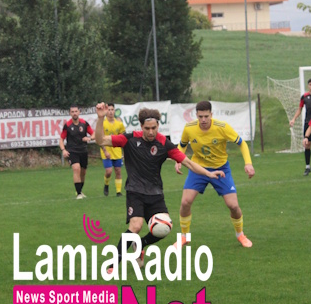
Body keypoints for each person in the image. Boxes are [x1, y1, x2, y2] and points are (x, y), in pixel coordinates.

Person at [94, 102, 225, 269]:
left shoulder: (164, 143)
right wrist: (100, 118)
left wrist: (209, 174)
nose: (151, 132)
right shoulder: (129, 139)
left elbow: (189, 163)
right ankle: (113, 264)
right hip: (135, 191)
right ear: (141, 126)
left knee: (164, 228)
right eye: (147, 128)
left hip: (155, 193)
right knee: (135, 226)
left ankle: (140, 244)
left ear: (158, 126)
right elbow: (100, 140)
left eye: (154, 128)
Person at [173, 100, 256, 249]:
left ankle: (240, 234)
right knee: (185, 202)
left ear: (211, 114)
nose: (203, 120)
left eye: (206, 116)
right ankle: (185, 236)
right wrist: (179, 159)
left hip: (221, 169)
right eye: (200, 116)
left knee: (233, 205)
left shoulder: (222, 128)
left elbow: (242, 143)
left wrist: (248, 163)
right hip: (198, 169)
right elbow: (182, 145)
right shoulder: (189, 128)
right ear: (196, 115)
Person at [289, 78, 311, 176]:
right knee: (307, 144)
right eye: (310, 84)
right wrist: (293, 119)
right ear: (308, 86)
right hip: (308, 123)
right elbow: (299, 109)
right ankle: (307, 166)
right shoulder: (304, 97)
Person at [59, 105, 94, 199]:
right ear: (70, 113)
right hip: (72, 151)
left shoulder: (84, 123)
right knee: (76, 168)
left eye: (76, 111)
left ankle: (80, 190)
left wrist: (89, 138)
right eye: (72, 112)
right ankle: (78, 193)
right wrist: (63, 150)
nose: (74, 113)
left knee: (83, 172)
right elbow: (61, 139)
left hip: (83, 150)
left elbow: (93, 134)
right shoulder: (67, 125)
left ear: (79, 112)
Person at [100, 103, 125, 197]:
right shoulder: (102, 123)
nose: (110, 112)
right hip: (106, 152)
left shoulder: (119, 124)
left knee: (118, 171)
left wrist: (124, 151)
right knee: (109, 171)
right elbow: (100, 139)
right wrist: (105, 151)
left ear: (115, 111)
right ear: (106, 112)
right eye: (109, 110)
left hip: (117, 151)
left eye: (112, 110)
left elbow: (123, 138)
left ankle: (118, 191)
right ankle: (106, 184)